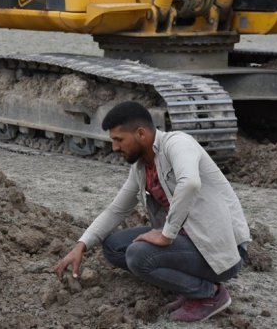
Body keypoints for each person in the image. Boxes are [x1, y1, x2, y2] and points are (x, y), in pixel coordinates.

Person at [54, 101, 250, 323]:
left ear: (140, 134)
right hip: (188, 240)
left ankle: (209, 294)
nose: (115, 147)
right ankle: (185, 284)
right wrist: (81, 245)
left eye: (119, 140)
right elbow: (116, 210)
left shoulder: (178, 144)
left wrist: (166, 234)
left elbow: (190, 184)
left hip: (221, 249)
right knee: (113, 247)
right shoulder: (141, 167)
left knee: (138, 255)